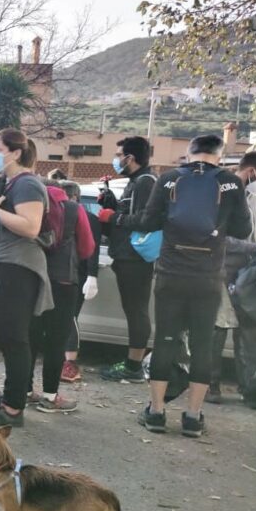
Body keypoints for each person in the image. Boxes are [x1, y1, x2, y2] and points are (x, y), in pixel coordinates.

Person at [132, 135, 251, 437]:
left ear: (189, 153)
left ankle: (157, 413)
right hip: (208, 276)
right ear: (219, 155)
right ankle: (192, 417)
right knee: (202, 344)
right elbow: (243, 229)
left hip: (171, 273)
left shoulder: (169, 179)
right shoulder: (231, 182)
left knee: (165, 341)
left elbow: (147, 222)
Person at [0, 129, 53, 428]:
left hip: (18, 268)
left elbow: (31, 227)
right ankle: (10, 395)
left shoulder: (28, 183)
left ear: (15, 152)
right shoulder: (14, 183)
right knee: (9, 337)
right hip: (7, 264)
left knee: (15, 338)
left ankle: (13, 408)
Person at [27, 180, 94, 412]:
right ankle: (50, 396)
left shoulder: (31, 205)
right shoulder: (76, 210)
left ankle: (24, 391)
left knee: (30, 337)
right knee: (56, 341)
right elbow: (87, 248)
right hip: (64, 282)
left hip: (34, 278)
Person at [96, 137, 158, 382]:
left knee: (136, 310)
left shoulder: (145, 182)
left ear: (130, 158)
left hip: (136, 257)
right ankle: (132, 363)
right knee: (132, 309)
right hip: (125, 255)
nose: (117, 159)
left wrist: (113, 217)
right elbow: (130, 216)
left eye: (119, 154)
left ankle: (133, 366)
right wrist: (112, 206)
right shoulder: (135, 182)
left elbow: (147, 220)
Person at [212, 149, 256, 407]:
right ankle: (210, 386)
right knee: (219, 329)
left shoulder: (251, 196)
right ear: (251, 171)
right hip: (221, 271)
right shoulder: (224, 193)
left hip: (246, 275)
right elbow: (217, 237)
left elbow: (255, 230)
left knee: (249, 334)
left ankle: (252, 391)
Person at [60, 180, 101, 383]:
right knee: (64, 317)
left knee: (70, 317)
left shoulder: (88, 218)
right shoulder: (59, 216)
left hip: (78, 274)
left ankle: (70, 363)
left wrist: (93, 275)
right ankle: (64, 360)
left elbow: (92, 248)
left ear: (75, 198)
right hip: (65, 272)